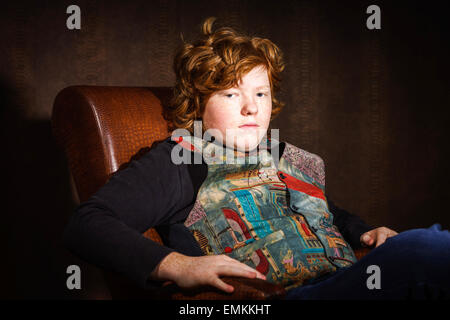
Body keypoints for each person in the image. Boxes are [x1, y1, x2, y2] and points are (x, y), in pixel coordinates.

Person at [63, 17, 450, 299]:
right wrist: (179, 265)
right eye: (231, 95)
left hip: (344, 279)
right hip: (272, 299)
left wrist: (368, 231)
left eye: (260, 94)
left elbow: (329, 214)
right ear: (198, 105)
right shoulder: (181, 160)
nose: (252, 108)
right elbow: (87, 225)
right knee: (424, 251)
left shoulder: (281, 154)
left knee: (417, 249)